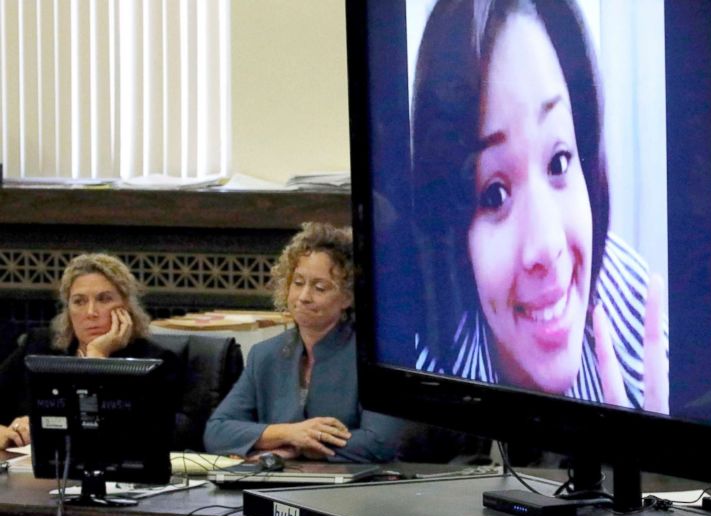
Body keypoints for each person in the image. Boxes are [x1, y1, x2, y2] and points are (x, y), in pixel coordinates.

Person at [408, 0, 668, 414]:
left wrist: (660, 464)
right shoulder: (422, 366)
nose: (547, 247)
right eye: (493, 194)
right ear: (452, 230)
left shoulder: (633, 302)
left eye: (559, 161)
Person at [203, 222, 402, 463]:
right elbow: (216, 432)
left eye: (320, 287)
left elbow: (380, 443)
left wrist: (302, 444)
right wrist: (289, 433)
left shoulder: (377, 356)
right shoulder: (265, 355)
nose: (304, 297)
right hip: (279, 486)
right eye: (297, 283)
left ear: (348, 297)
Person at [0, 253, 186, 448]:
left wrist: (96, 358)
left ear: (126, 307)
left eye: (104, 299)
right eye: (79, 301)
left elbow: (158, 434)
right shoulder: (39, 345)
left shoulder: (154, 361)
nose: (91, 313)